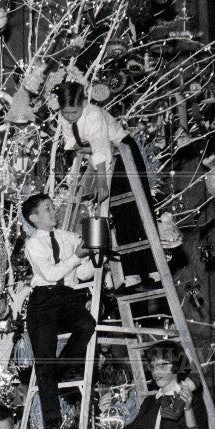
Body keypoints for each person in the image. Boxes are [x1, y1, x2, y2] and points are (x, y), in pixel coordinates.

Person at [57, 81, 161, 299]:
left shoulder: (93, 115)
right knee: (120, 217)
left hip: (123, 155)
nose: (70, 117)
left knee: (135, 213)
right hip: (102, 161)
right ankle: (131, 276)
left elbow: (103, 148)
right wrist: (88, 154)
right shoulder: (65, 117)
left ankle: (153, 273)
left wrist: (102, 182)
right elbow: (73, 143)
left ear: (84, 103)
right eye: (66, 113)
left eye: (74, 112)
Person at [21, 193, 97, 429]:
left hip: (67, 297)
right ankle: (52, 421)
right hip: (42, 299)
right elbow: (51, 274)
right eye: (47, 209)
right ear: (34, 218)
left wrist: (94, 254)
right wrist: (76, 256)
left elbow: (84, 274)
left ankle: (63, 371)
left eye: (53, 208)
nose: (54, 212)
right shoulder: (33, 244)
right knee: (44, 359)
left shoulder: (70, 237)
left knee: (86, 324)